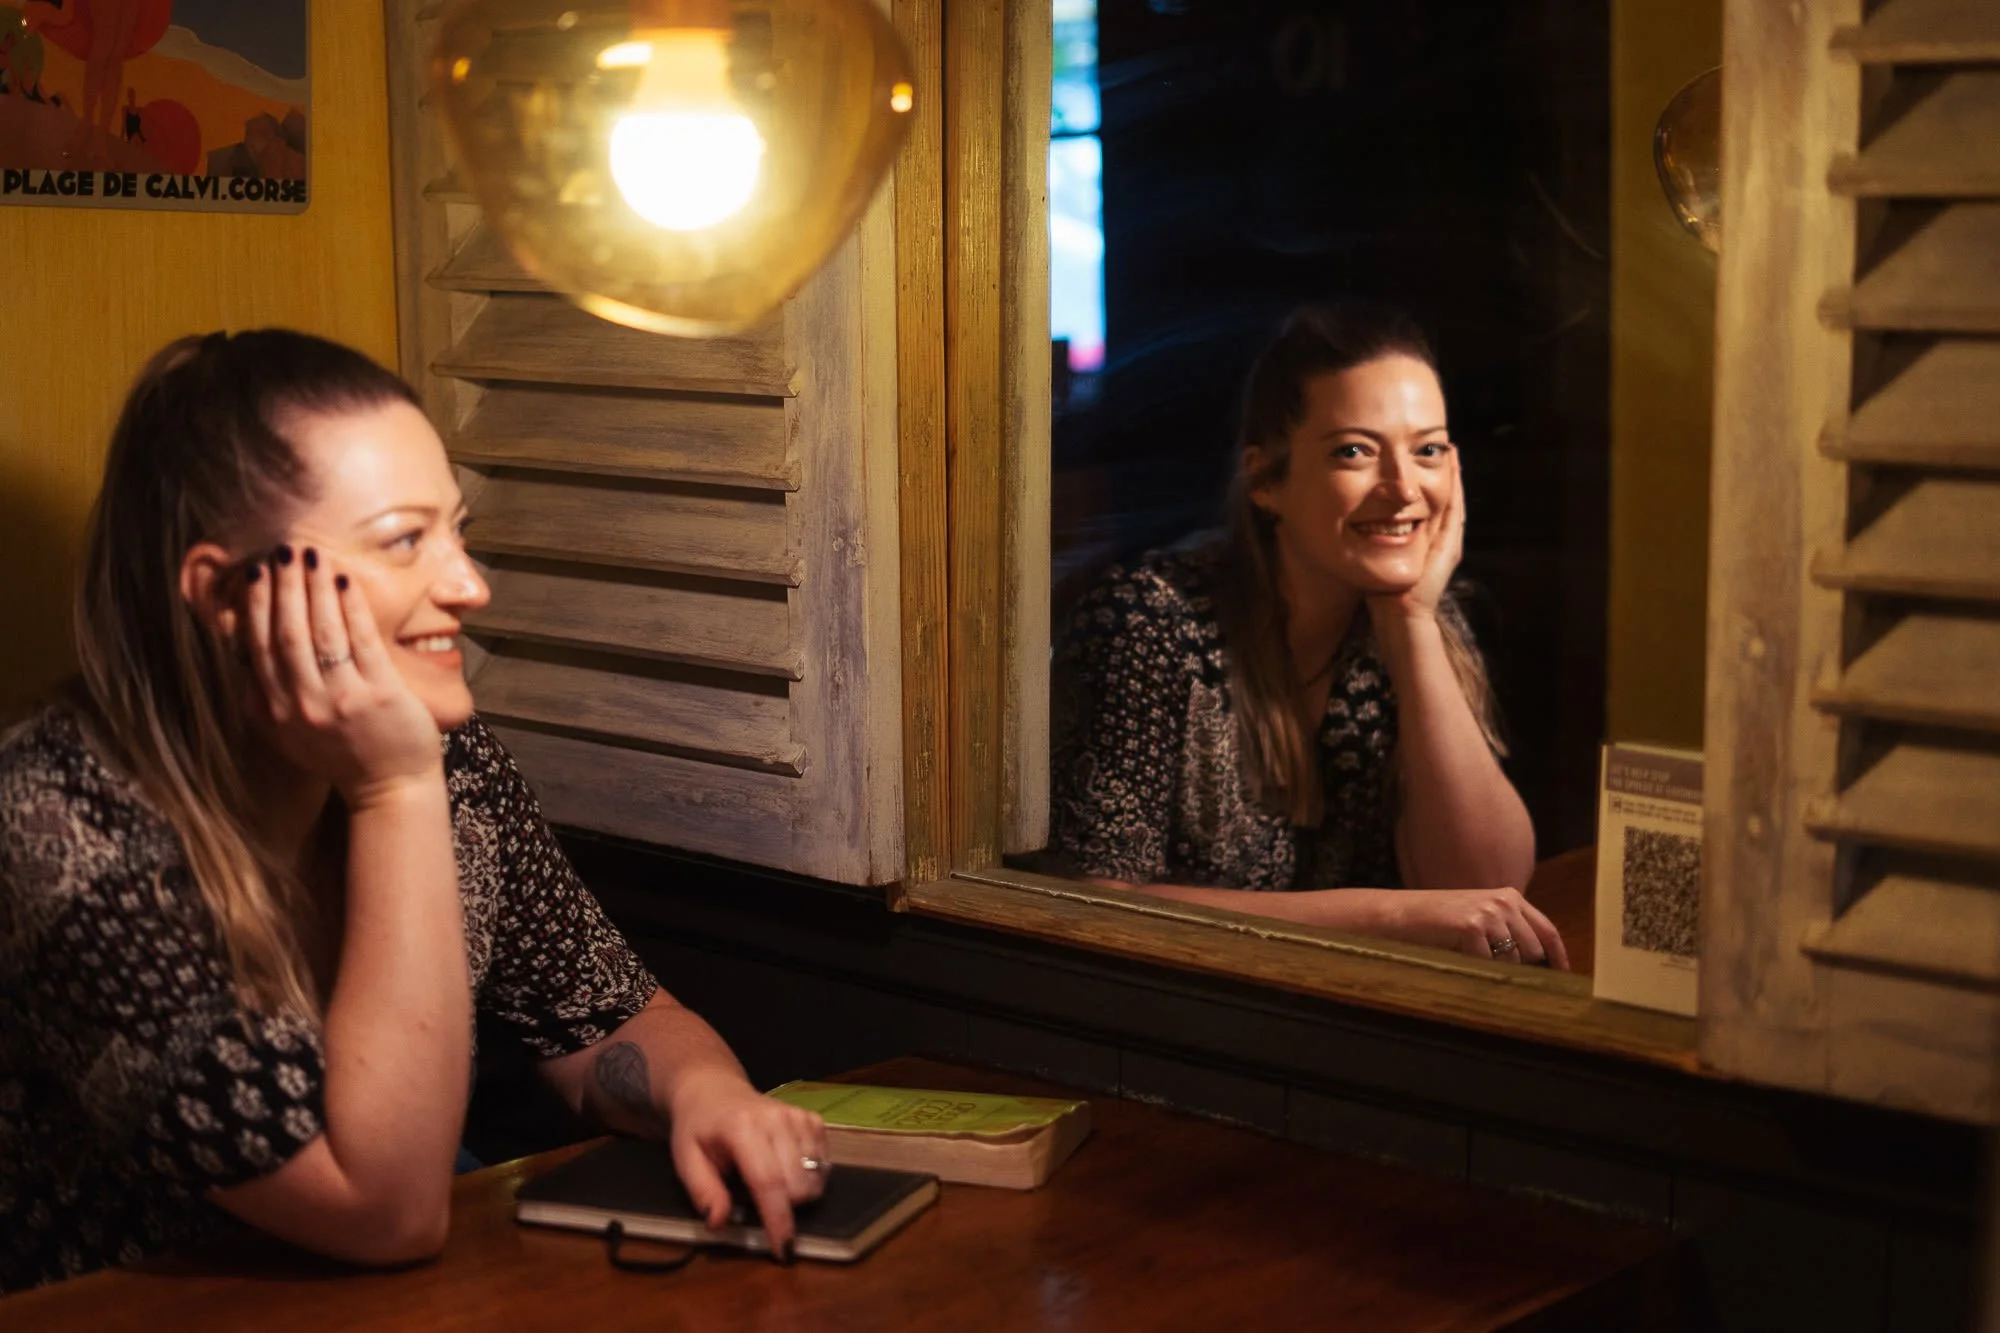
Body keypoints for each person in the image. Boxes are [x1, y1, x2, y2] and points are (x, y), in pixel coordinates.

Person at [0, 330, 827, 1292]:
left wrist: (711, 1096)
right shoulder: (55, 824)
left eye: (457, 531)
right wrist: (393, 788)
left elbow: (609, 1019)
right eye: (403, 540)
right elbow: (385, 1207)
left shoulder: (450, 759)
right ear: (228, 594)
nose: (470, 586)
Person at [1048, 304, 1566, 968]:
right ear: (1267, 480)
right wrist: (1387, 915)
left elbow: (1490, 879)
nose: (1404, 487)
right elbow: (1092, 904)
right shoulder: (1149, 622)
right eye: (1355, 451)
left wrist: (1410, 622)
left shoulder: (1419, 617)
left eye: (1428, 449)